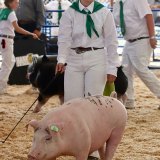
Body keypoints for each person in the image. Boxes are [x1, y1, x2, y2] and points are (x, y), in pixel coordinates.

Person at [56, 0, 120, 159]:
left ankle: (93, 151)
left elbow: (112, 41)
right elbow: (64, 38)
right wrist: (61, 59)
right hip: (73, 58)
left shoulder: (104, 12)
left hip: (97, 57)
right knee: (71, 102)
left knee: (93, 102)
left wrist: (113, 67)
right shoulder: (70, 12)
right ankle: (74, 144)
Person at [113, 0, 160, 109]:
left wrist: (152, 37)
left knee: (141, 69)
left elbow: (148, 16)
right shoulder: (117, 4)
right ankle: (129, 100)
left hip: (142, 39)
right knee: (125, 70)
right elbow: (114, 22)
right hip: (128, 41)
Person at [0, 0, 38, 94]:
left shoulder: (3, 11)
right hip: (6, 39)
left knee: (9, 62)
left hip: (3, 38)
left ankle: (3, 84)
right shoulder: (11, 13)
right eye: (16, 2)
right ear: (10, 3)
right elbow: (17, 28)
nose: (18, 4)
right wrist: (30, 33)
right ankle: (1, 86)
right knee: (7, 63)